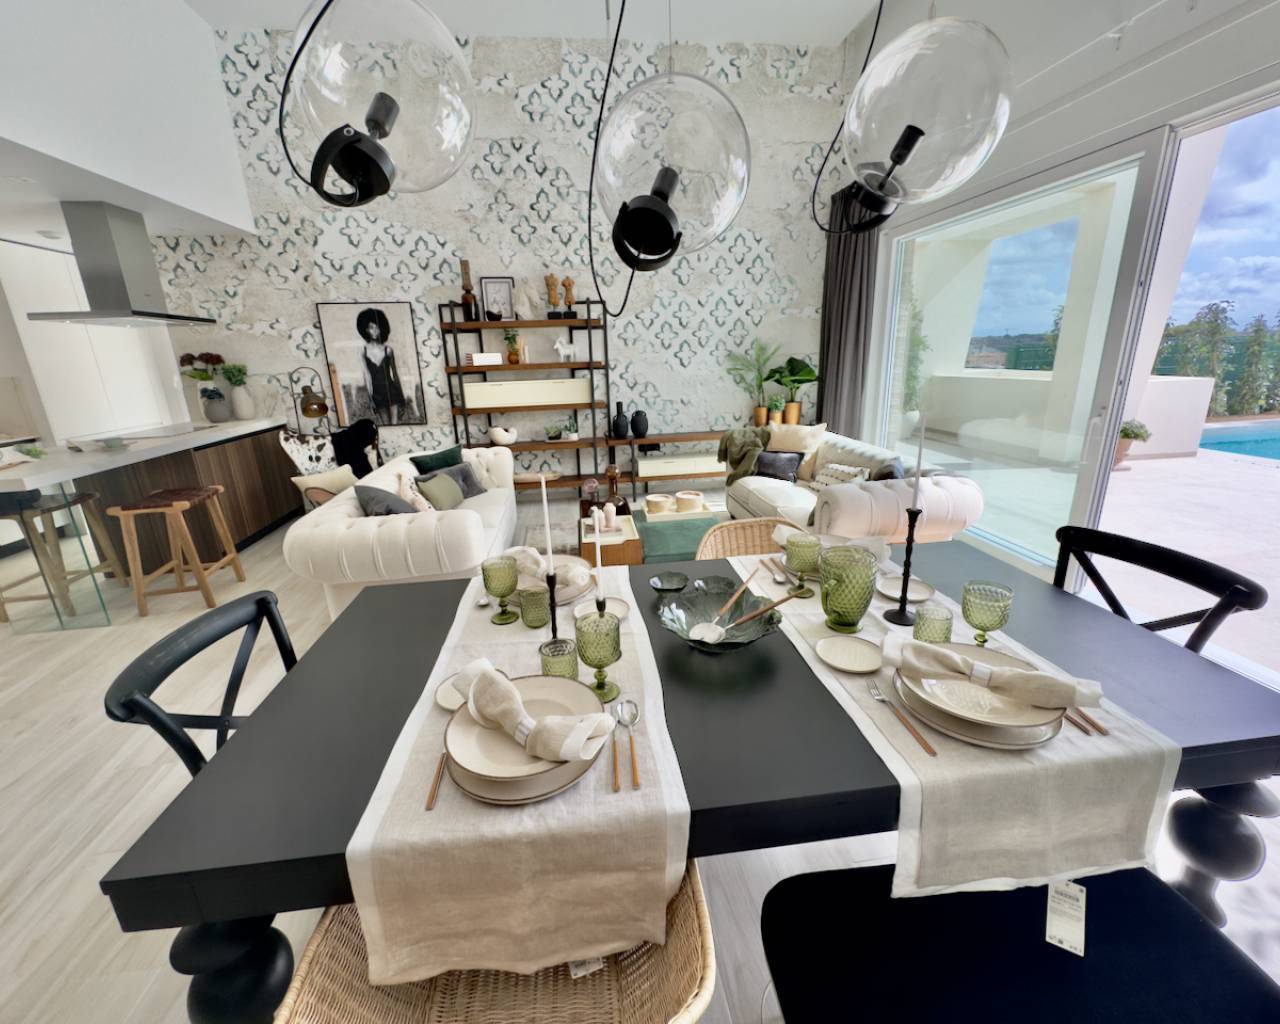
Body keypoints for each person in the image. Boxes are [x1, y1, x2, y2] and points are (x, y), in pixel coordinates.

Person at [357, 307, 406, 425]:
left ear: (381, 329)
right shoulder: (363, 351)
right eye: (371, 327)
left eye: (377, 327)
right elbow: (367, 378)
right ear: (366, 330)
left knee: (395, 425)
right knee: (386, 426)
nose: (374, 331)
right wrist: (371, 400)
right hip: (377, 394)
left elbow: (395, 375)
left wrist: (401, 398)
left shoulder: (388, 350)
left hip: (392, 391)